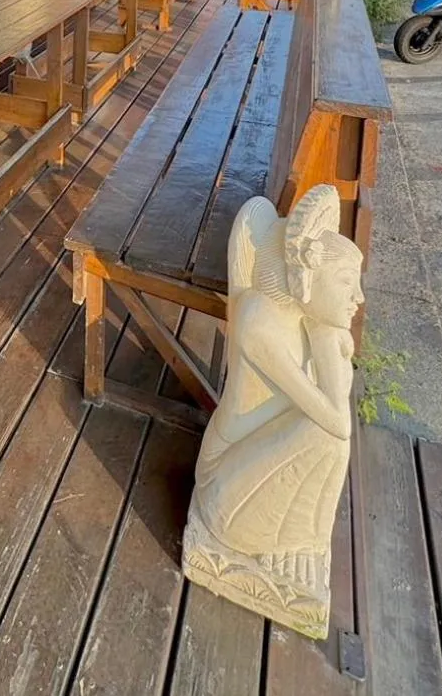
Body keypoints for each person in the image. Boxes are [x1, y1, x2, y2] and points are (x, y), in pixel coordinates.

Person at [182, 184, 364, 637]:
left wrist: (324, 332)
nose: (357, 297)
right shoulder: (260, 322)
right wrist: (325, 339)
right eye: (345, 283)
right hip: (224, 485)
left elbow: (332, 403)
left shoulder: (297, 316)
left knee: (331, 441)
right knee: (329, 438)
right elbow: (336, 419)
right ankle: (280, 541)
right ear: (305, 279)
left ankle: (296, 541)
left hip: (252, 464)